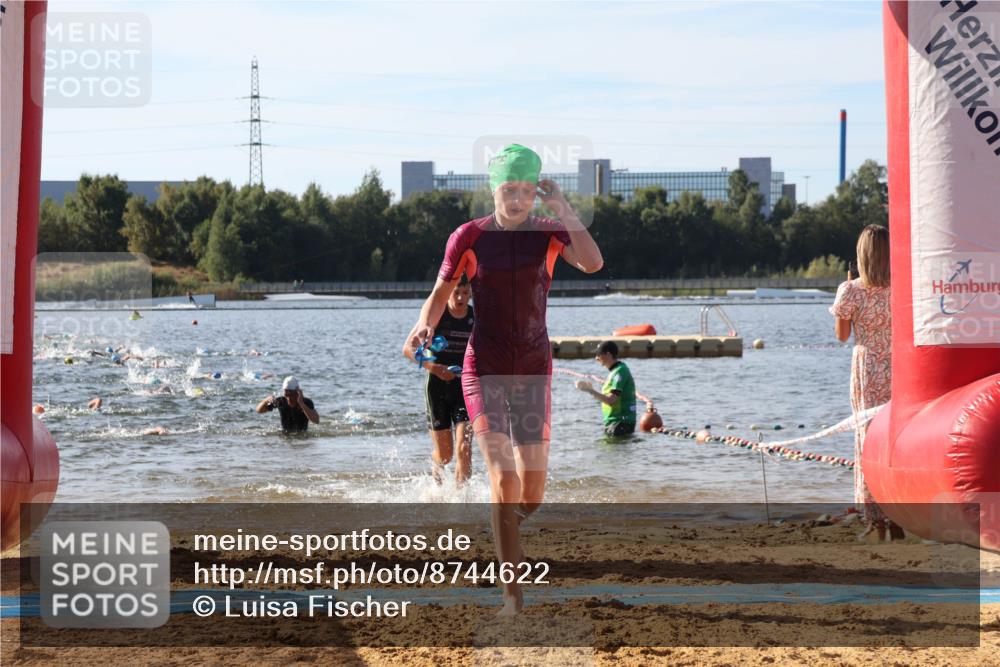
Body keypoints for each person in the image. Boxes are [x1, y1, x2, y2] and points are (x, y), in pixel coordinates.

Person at [404, 144, 603, 615]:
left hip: (533, 369)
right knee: (502, 475)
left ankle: (503, 530)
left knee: (532, 492)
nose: (516, 199)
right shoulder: (469, 236)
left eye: (525, 190)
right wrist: (423, 323)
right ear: (494, 189)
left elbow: (593, 263)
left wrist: (562, 206)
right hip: (485, 368)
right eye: (508, 189)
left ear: (535, 191)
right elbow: (440, 292)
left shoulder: (551, 232)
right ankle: (512, 596)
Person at [830, 224, 902, 541]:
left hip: (867, 368)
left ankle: (876, 521)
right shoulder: (902, 287)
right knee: (895, 440)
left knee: (866, 441)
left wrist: (843, 301)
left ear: (861, 255)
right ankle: (900, 515)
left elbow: (842, 336)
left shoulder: (852, 290)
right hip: (899, 367)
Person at [402, 275, 474, 485]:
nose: (460, 298)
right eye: (456, 292)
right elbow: (407, 349)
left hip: (465, 387)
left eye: (466, 293)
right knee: (446, 455)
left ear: (471, 293)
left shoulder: (476, 318)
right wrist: (435, 368)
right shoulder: (436, 315)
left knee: (464, 447)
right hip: (437, 388)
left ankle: (463, 500)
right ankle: (436, 471)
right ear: (448, 291)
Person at [575, 341, 637, 437]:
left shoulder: (620, 371)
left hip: (620, 424)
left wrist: (590, 390)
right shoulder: (615, 372)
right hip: (614, 423)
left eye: (598, 354)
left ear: (608, 354)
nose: (596, 358)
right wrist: (591, 389)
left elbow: (611, 400)